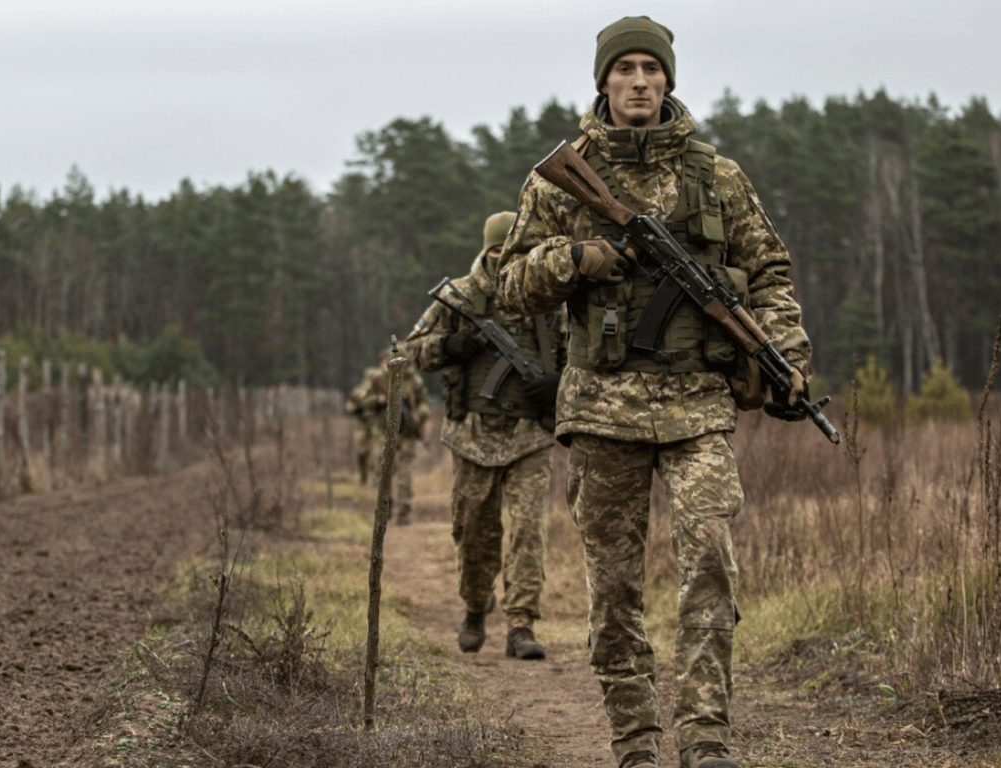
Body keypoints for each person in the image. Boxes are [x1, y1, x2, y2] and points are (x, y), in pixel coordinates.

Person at [496, 16, 814, 768]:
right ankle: (636, 741)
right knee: (613, 587)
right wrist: (580, 257)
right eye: (625, 69)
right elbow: (510, 286)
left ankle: (705, 738)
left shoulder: (717, 176)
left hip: (698, 407)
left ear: (668, 80)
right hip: (600, 409)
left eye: (651, 69)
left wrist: (787, 359)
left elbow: (769, 275)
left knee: (710, 561)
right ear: (603, 80)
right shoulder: (565, 176)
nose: (639, 81)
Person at [405, 211, 566, 660]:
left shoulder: (549, 299)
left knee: (529, 532)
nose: (504, 259)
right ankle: (476, 606)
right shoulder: (459, 296)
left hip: (531, 435)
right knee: (474, 530)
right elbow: (411, 350)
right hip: (472, 436)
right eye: (497, 250)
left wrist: (557, 383)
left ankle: (521, 625)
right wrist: (451, 346)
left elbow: (580, 354)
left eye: (513, 251)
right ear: (485, 249)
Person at [347, 348, 430, 524]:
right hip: (384, 432)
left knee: (404, 472)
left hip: (407, 433)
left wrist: (419, 415)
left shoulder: (413, 380)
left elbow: (424, 404)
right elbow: (359, 399)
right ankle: (386, 508)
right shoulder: (379, 378)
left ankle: (404, 512)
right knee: (383, 473)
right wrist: (379, 400)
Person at [344, 362, 384, 485]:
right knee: (361, 452)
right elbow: (349, 406)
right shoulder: (359, 391)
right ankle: (363, 473)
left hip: (377, 425)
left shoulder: (382, 392)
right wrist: (359, 410)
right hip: (362, 425)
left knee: (377, 452)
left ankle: (377, 478)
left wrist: (381, 404)